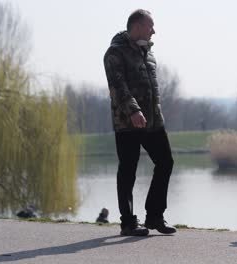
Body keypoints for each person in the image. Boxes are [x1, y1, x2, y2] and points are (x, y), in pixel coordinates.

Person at [103, 9, 176, 236]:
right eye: (150, 25)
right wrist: (133, 111)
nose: (154, 30)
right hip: (127, 122)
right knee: (128, 170)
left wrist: (156, 115)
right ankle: (128, 222)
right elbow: (118, 86)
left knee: (165, 162)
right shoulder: (115, 53)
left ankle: (154, 216)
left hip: (153, 121)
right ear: (136, 26)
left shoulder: (148, 54)